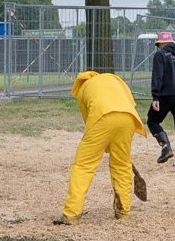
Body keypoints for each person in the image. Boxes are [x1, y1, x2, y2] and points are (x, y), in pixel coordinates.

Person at [57, 70, 147, 225]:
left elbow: (89, 122)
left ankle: (71, 214)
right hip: (128, 118)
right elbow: (131, 103)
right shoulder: (114, 80)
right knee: (122, 164)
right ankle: (123, 211)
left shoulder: (83, 90)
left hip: (102, 118)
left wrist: (103, 141)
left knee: (83, 166)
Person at [147, 31, 175, 168]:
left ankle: (166, 146)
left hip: (166, 95)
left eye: (159, 44)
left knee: (153, 120)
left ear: (162, 43)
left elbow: (157, 76)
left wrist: (155, 96)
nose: (159, 47)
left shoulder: (160, 54)